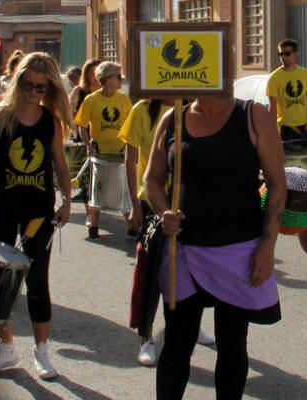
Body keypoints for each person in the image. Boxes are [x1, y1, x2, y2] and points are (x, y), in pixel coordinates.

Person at [140, 91, 285, 400]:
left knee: (232, 344)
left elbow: (277, 183)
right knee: (178, 344)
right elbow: (152, 179)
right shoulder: (172, 119)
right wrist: (162, 211)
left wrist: (267, 246)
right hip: (184, 250)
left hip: (238, 250)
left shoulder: (253, 116)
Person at [0, 52, 72, 380]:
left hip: (38, 213)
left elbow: (59, 162)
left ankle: (42, 352)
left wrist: (68, 200)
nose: (33, 92)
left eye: (41, 88)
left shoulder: (50, 121)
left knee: (37, 281)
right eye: (28, 85)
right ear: (18, 83)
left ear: (50, 89)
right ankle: (5, 349)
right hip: (0, 210)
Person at [118, 98, 215, 366]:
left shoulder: (193, 110)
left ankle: (193, 325)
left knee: (192, 269)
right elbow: (131, 158)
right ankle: (146, 336)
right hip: (153, 202)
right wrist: (134, 204)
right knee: (152, 273)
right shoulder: (141, 110)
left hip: (187, 202)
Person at [74, 61, 132, 239]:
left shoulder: (123, 98)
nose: (120, 80)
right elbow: (81, 126)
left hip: (121, 151)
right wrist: (88, 145)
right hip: (99, 152)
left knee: (123, 187)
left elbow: (131, 122)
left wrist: (129, 146)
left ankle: (131, 223)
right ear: (107, 79)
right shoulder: (91, 100)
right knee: (97, 188)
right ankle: (94, 224)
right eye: (117, 77)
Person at [265, 39, 307, 141]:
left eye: (287, 54)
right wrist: (272, 132)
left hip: (306, 127)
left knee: (306, 156)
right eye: (281, 54)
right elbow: (272, 108)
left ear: (295, 54)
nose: (283, 57)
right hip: (285, 128)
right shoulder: (274, 78)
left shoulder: (305, 74)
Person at [68, 58, 101, 132]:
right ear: (86, 75)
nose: (95, 76)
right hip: (83, 132)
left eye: (98, 73)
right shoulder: (78, 91)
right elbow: (69, 111)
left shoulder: (108, 92)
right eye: (92, 73)